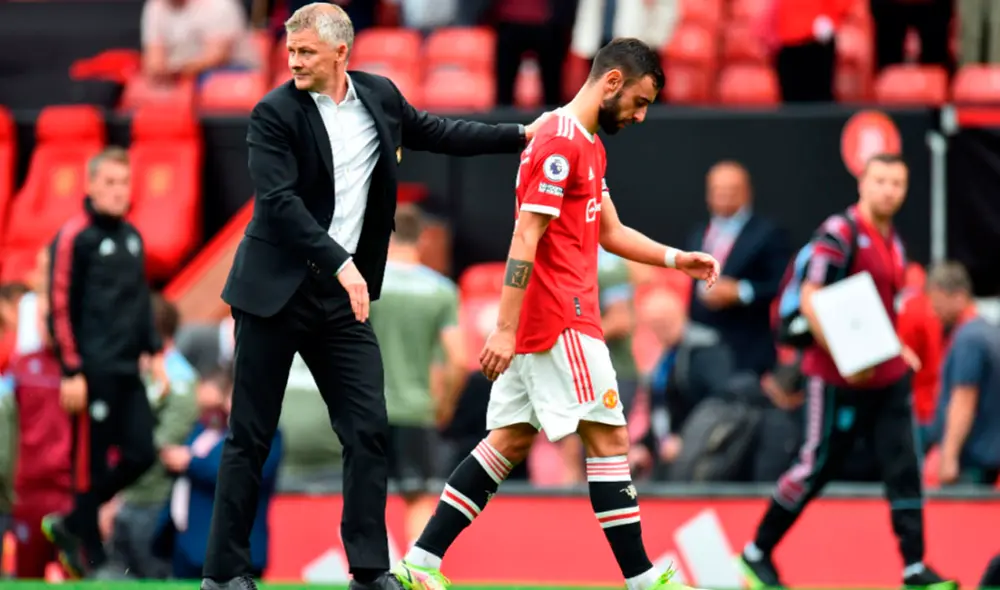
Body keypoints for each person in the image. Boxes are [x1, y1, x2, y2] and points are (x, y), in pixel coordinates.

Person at [202, 4, 550, 590]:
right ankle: (223, 574)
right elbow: (280, 204)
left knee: (367, 429)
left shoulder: (379, 98)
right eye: (290, 51)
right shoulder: (273, 113)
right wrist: (342, 264)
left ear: (342, 52)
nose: (293, 61)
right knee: (250, 437)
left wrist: (519, 134)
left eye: (306, 51)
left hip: (339, 303)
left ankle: (368, 572)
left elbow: (439, 131)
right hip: (274, 295)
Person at [392, 38, 719, 590]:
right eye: (639, 102)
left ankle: (421, 560)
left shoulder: (584, 142)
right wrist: (501, 325)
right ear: (612, 82)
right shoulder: (561, 143)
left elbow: (609, 232)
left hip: (544, 320)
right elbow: (526, 234)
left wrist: (673, 258)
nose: (640, 116)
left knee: (507, 442)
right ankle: (642, 579)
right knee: (610, 440)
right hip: (563, 317)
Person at [738, 154, 956, 590]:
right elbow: (812, 297)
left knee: (904, 466)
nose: (889, 190)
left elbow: (876, 307)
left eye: (897, 182)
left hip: (887, 377)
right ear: (863, 183)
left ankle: (915, 568)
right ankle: (755, 552)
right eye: (881, 180)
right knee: (816, 465)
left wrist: (897, 349)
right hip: (836, 378)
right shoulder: (839, 233)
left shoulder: (892, 241)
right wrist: (848, 356)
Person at [42, 147, 160, 578]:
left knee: (143, 453)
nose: (117, 191)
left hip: (129, 372)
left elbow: (142, 302)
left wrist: (156, 350)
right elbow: (59, 305)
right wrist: (72, 370)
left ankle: (73, 523)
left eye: (123, 183)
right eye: (109, 182)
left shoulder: (133, 236)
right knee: (88, 470)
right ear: (90, 186)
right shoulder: (75, 236)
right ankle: (91, 557)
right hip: (90, 375)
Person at [369, 206, 466, 545]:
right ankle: (415, 572)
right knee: (418, 499)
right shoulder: (441, 290)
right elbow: (459, 359)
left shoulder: (367, 282)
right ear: (422, 238)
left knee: (363, 494)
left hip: (366, 406)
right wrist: (444, 404)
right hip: (415, 409)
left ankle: (367, 573)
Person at [111, 295, 200, 579]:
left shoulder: (181, 380)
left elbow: (163, 442)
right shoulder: (147, 375)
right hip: (129, 498)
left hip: (156, 501)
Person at [4, 292, 74, 579]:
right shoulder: (21, 366)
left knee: (75, 576)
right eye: (46, 323)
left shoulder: (81, 372)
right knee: (25, 578)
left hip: (68, 491)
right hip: (28, 491)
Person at [925, 262, 1000, 486]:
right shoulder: (989, 331)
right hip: (988, 454)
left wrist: (948, 457)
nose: (933, 310)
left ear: (957, 296)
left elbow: (964, 399)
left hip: (970, 459)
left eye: (937, 301)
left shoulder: (968, 339)